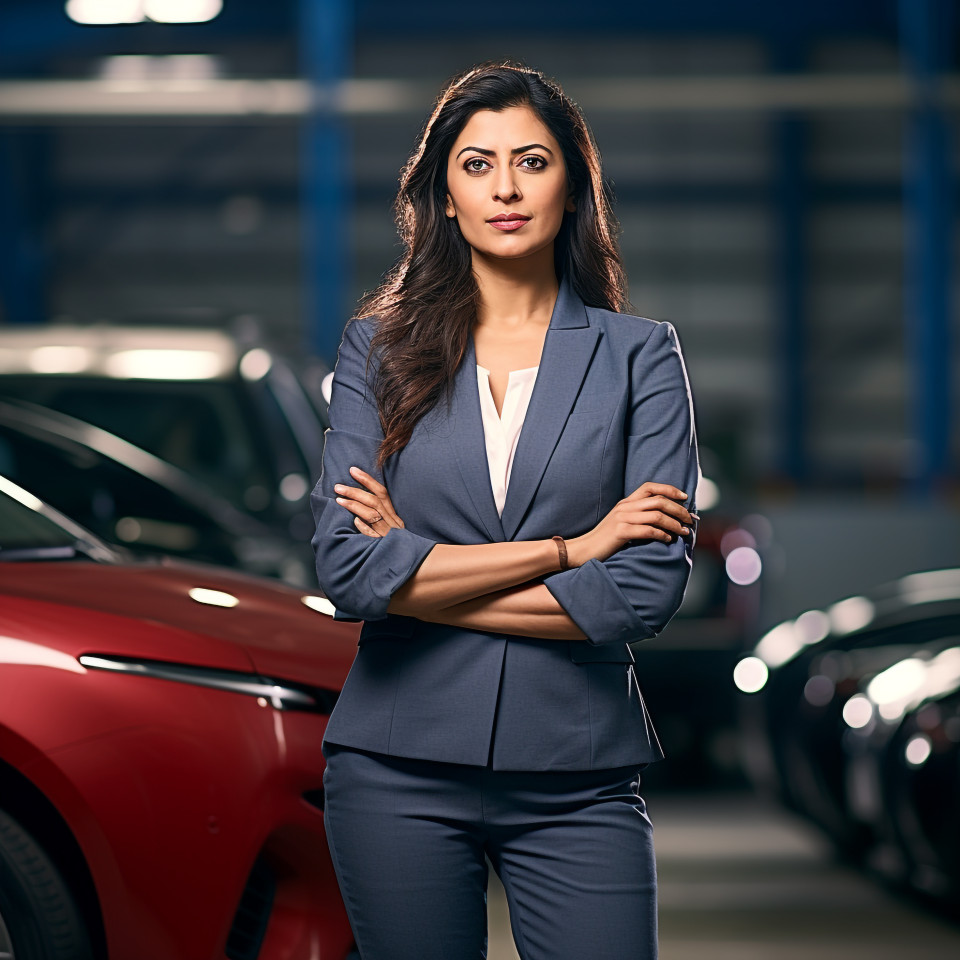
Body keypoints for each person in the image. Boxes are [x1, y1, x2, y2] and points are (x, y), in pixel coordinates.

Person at [310, 61, 699, 960]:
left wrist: (416, 574)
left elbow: (640, 595)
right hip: (395, 766)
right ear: (443, 195)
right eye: (477, 165)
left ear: (573, 186)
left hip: (580, 773)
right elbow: (346, 571)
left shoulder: (640, 357)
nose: (507, 187)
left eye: (532, 161)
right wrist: (572, 549)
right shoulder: (378, 349)